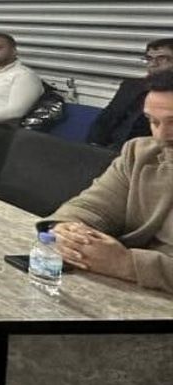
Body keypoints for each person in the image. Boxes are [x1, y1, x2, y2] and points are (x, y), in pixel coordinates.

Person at [45, 70, 173, 293]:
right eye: (153, 122)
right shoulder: (139, 153)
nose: (161, 136)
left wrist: (126, 264)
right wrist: (67, 230)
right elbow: (91, 207)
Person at [88, 38, 173, 150]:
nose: (153, 64)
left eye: (162, 59)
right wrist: (93, 145)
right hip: (111, 149)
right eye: (149, 59)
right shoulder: (131, 85)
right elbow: (107, 117)